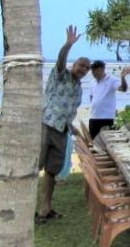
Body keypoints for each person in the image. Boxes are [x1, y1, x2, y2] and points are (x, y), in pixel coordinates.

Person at [37, 25, 90, 225]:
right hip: (46, 125)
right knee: (36, 166)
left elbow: (68, 113)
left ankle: (46, 207)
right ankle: (25, 208)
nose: (83, 69)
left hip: (61, 131)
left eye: (86, 68)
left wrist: (75, 131)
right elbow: (60, 60)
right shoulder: (61, 75)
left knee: (52, 170)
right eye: (80, 65)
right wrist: (68, 45)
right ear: (73, 64)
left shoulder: (78, 88)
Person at [87, 60, 130, 139]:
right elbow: (92, 97)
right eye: (92, 71)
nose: (93, 73)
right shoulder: (92, 82)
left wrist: (123, 77)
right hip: (93, 117)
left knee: (107, 141)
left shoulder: (112, 80)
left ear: (101, 69)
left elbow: (123, 89)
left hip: (106, 118)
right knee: (94, 141)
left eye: (94, 71)